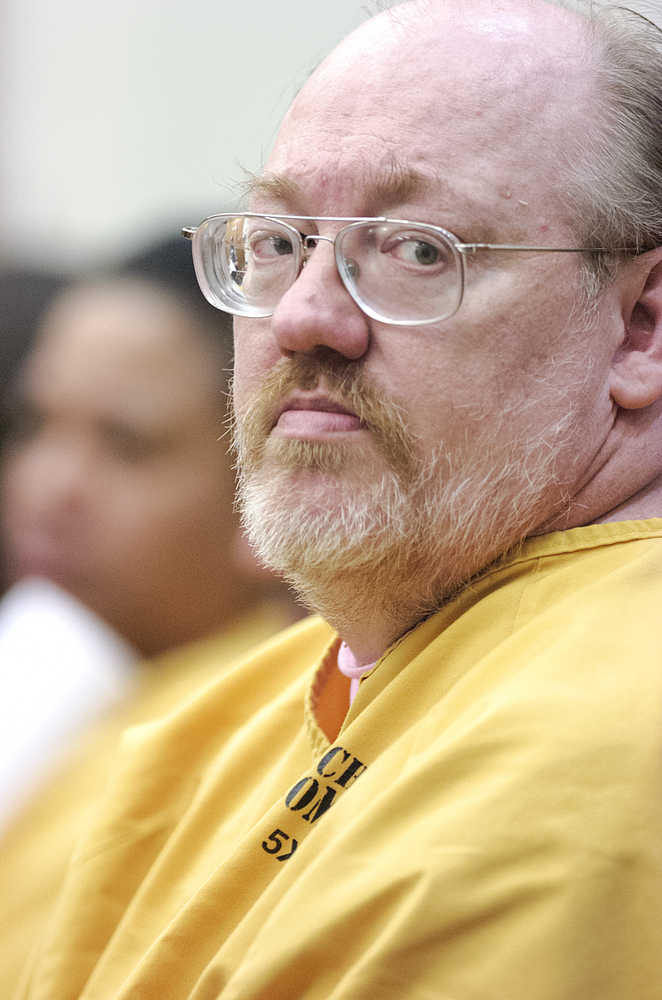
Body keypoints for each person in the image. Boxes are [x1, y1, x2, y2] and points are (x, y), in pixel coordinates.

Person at [15, 0, 662, 996]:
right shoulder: (207, 727)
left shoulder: (599, 751)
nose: (305, 317)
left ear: (639, 330)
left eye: (416, 250)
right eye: (278, 243)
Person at [0, 244, 294, 992]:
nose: (49, 487)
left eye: (127, 447)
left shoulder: (271, 751)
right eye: (34, 425)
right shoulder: (53, 674)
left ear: (263, 474)